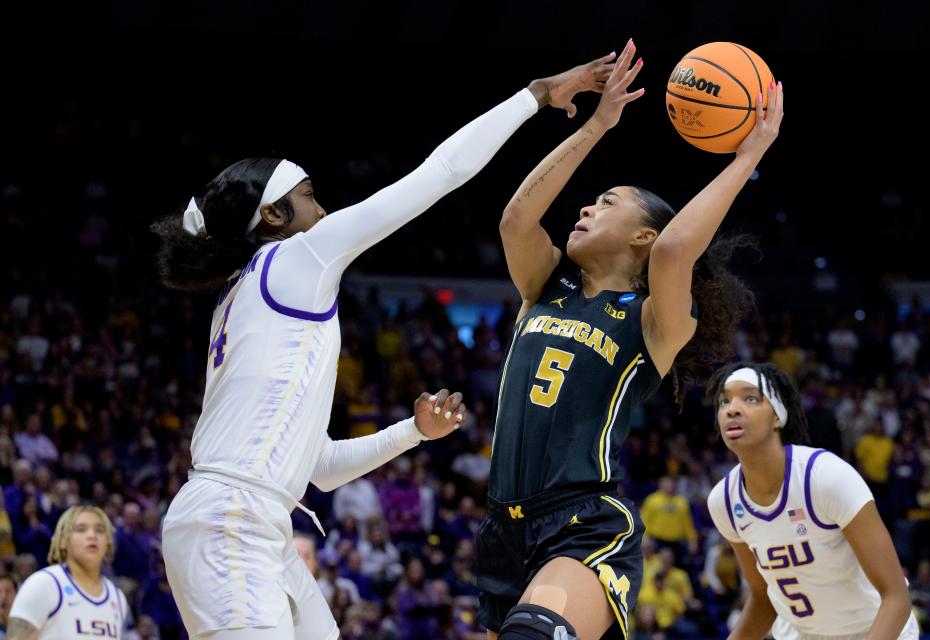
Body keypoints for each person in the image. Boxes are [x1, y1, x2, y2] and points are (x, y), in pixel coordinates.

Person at [154, 54, 615, 640]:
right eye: (309, 195)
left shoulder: (249, 291)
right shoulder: (296, 257)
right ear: (272, 215)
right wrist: (534, 95)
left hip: (252, 518)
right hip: (231, 522)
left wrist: (414, 432)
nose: (322, 209)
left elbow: (316, 468)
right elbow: (440, 172)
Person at [478, 37, 782, 640]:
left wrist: (749, 153)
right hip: (501, 527)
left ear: (642, 237)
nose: (586, 208)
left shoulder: (653, 320)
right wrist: (597, 124)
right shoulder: (546, 287)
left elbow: (675, 249)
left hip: (582, 525)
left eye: (606, 202)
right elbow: (517, 217)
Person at [705, 362, 918, 639]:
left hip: (876, 630)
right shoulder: (723, 501)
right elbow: (763, 598)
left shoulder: (825, 477)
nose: (731, 409)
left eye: (750, 398)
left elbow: (896, 598)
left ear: (777, 418)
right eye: (724, 401)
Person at [5, 506, 128, 639]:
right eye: (81, 529)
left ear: (108, 542)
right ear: (63, 541)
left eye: (99, 530)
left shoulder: (117, 597)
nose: (92, 535)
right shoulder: (44, 584)